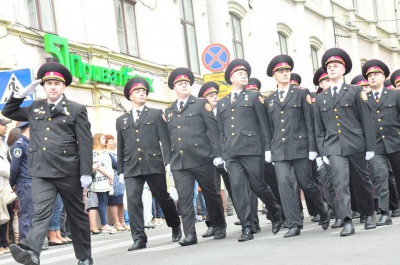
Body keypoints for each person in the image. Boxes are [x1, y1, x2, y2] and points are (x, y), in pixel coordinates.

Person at [2, 62, 93, 264]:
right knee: (40, 212)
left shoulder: (76, 109)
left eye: (56, 83)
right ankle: (32, 252)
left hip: (68, 170)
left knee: (76, 216)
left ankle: (85, 257)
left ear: (64, 87)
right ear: (43, 86)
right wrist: (19, 95)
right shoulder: (35, 107)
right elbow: (8, 112)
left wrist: (86, 172)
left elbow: (85, 143)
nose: (52, 87)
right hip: (41, 171)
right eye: (49, 83)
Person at [217, 59, 282, 242]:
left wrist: (268, 149)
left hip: (252, 150)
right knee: (238, 189)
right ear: (231, 78)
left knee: (257, 185)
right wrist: (223, 153)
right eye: (240, 74)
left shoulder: (254, 97)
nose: (244, 76)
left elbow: (264, 125)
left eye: (246, 74)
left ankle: (275, 209)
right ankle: (247, 226)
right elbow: (220, 131)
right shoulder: (222, 103)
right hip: (232, 153)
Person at [265, 55, 329, 237]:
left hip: (301, 147)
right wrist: (268, 149)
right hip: (279, 149)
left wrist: (312, 149)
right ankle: (294, 223)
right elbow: (269, 127)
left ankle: (322, 208)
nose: (285, 74)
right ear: (274, 76)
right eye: (280, 72)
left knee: (307, 184)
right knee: (284, 186)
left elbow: (310, 122)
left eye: (287, 71)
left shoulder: (301, 93)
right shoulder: (269, 100)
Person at [314, 48, 376, 237]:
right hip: (333, 146)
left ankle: (369, 214)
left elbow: (367, 120)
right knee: (340, 182)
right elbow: (319, 128)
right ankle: (347, 220)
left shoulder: (355, 91)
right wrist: (322, 151)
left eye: (335, 66)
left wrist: (370, 147)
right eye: (329, 67)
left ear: (343, 69)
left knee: (361, 181)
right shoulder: (320, 98)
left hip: (356, 143)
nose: (331, 69)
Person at [117, 77, 181, 251]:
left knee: (163, 197)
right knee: (133, 201)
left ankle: (175, 225)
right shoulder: (121, 120)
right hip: (131, 166)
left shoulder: (154, 113)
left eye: (144, 92)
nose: (141, 94)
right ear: (130, 96)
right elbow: (121, 145)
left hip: (153, 163)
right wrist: (121, 170)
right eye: (137, 92)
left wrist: (168, 161)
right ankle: (139, 237)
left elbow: (165, 140)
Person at [165, 68, 226, 246]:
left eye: (186, 83)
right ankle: (190, 234)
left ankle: (219, 225)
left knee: (211, 194)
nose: (184, 85)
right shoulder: (169, 110)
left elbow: (212, 130)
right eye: (179, 84)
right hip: (180, 162)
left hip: (202, 158)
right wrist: (168, 161)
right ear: (174, 88)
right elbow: (167, 138)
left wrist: (217, 155)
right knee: (184, 199)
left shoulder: (200, 104)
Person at [362, 59, 400, 225]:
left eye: (376, 74)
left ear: (383, 76)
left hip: (396, 141)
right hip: (376, 145)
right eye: (369, 75)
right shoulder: (364, 98)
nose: (372, 77)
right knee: (380, 177)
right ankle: (385, 212)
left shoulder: (395, 94)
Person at [9, 122, 32, 243]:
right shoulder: (20, 144)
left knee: (32, 214)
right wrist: (12, 182)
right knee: (26, 214)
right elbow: (14, 167)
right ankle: (25, 243)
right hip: (24, 183)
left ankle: (32, 242)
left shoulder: (29, 144)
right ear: (28, 128)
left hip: (32, 182)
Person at [91, 133, 117, 234]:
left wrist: (111, 177)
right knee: (102, 202)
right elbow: (98, 166)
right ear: (97, 140)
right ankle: (104, 224)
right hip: (100, 179)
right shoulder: (94, 152)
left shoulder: (104, 152)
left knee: (105, 202)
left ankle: (105, 223)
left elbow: (110, 166)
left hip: (107, 179)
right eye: (102, 139)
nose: (104, 140)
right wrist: (108, 175)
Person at [105, 134, 128, 231]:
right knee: (114, 201)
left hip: (121, 179)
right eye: (111, 141)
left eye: (114, 140)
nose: (114, 142)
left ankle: (122, 221)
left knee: (121, 201)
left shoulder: (117, 152)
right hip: (113, 178)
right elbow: (115, 164)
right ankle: (116, 222)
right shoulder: (106, 153)